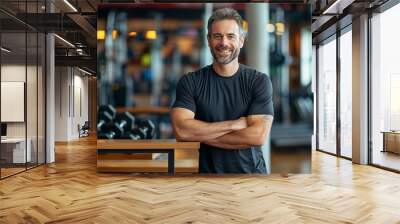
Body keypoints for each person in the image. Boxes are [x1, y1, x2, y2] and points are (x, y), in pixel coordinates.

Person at [171, 8, 274, 174]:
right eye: (217, 36)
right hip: (208, 178)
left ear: (241, 40)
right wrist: (234, 124)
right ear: (209, 40)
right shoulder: (191, 82)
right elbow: (182, 130)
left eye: (231, 36)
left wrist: (201, 134)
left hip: (252, 178)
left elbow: (258, 136)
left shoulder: (258, 81)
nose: (224, 42)